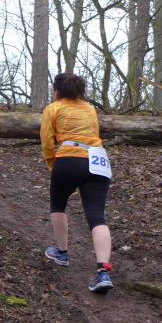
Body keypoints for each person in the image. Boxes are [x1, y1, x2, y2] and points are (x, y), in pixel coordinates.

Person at [41, 73, 114, 293]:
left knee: (58, 204)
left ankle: (62, 252)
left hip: (69, 157)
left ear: (57, 90)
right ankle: (103, 271)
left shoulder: (53, 108)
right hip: (97, 160)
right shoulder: (90, 109)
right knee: (97, 216)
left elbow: (47, 141)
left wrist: (52, 163)